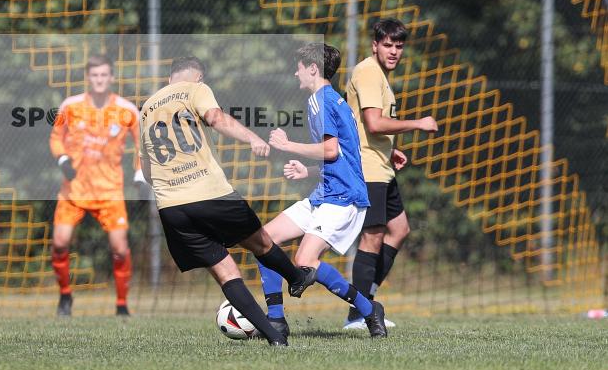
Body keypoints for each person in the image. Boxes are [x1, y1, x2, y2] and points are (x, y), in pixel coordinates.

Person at [139, 56, 313, 347]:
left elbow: (146, 170)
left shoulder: (146, 108)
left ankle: (274, 339)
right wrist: (251, 138)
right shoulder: (195, 89)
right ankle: (296, 278)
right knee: (261, 243)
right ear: (199, 77)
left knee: (225, 273)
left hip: (171, 206)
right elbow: (216, 118)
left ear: (170, 78)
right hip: (209, 192)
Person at [257, 43, 387, 338]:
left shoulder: (323, 100)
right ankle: (276, 320)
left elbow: (330, 150)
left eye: (299, 67)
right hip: (326, 192)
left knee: (304, 262)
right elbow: (343, 157)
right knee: (263, 240)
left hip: (342, 199)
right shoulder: (328, 99)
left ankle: (368, 309)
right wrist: (309, 171)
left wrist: (287, 145)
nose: (295, 73)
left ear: (312, 69)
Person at [343, 19, 438, 330]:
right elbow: (374, 123)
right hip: (367, 169)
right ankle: (358, 314)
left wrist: (390, 148)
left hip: (381, 165)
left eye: (399, 46)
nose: (394, 51)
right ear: (375, 45)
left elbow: (367, 125)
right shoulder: (369, 72)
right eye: (388, 44)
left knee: (399, 230)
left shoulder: (379, 75)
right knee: (372, 237)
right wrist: (417, 123)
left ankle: (367, 304)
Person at [49, 54, 148, 317]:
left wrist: (140, 176)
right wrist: (62, 159)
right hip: (74, 190)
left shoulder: (127, 111)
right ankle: (65, 296)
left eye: (104, 75)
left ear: (111, 77)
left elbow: (142, 146)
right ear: (88, 78)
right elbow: (56, 137)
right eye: (95, 75)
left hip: (110, 191)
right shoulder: (69, 106)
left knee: (119, 247)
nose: (100, 79)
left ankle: (122, 304)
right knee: (60, 243)